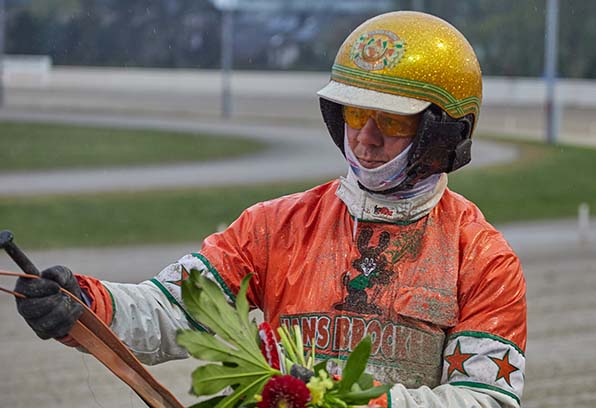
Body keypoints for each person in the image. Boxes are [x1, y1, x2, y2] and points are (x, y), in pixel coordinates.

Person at [14, 11, 526, 408]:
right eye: (354, 113)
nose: (365, 139)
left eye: (391, 122)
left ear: (442, 133)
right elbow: (177, 310)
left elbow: (485, 398)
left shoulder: (481, 257)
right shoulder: (273, 227)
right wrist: (86, 305)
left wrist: (352, 401)